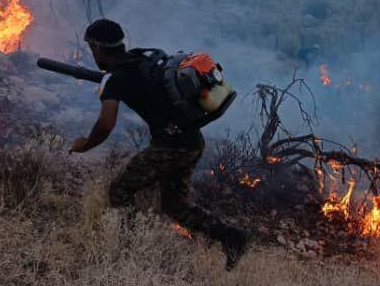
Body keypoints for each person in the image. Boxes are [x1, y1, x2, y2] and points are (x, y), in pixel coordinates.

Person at [69, 18, 250, 269]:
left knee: (119, 191)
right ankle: (233, 237)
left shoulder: (115, 79)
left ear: (97, 49)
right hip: (191, 142)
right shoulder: (143, 58)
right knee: (176, 206)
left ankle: (130, 251)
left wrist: (85, 144)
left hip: (170, 147)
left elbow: (106, 124)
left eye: (92, 48)